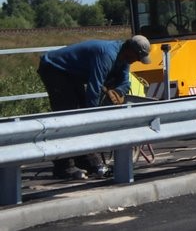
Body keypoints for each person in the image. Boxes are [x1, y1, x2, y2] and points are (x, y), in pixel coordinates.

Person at [36, 35, 152, 179]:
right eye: (137, 57)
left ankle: (84, 160)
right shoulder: (107, 55)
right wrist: (94, 118)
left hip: (72, 75)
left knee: (79, 113)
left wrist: (117, 91)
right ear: (130, 50)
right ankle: (63, 166)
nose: (137, 61)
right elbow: (94, 89)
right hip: (55, 68)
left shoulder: (124, 59)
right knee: (67, 115)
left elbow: (124, 82)